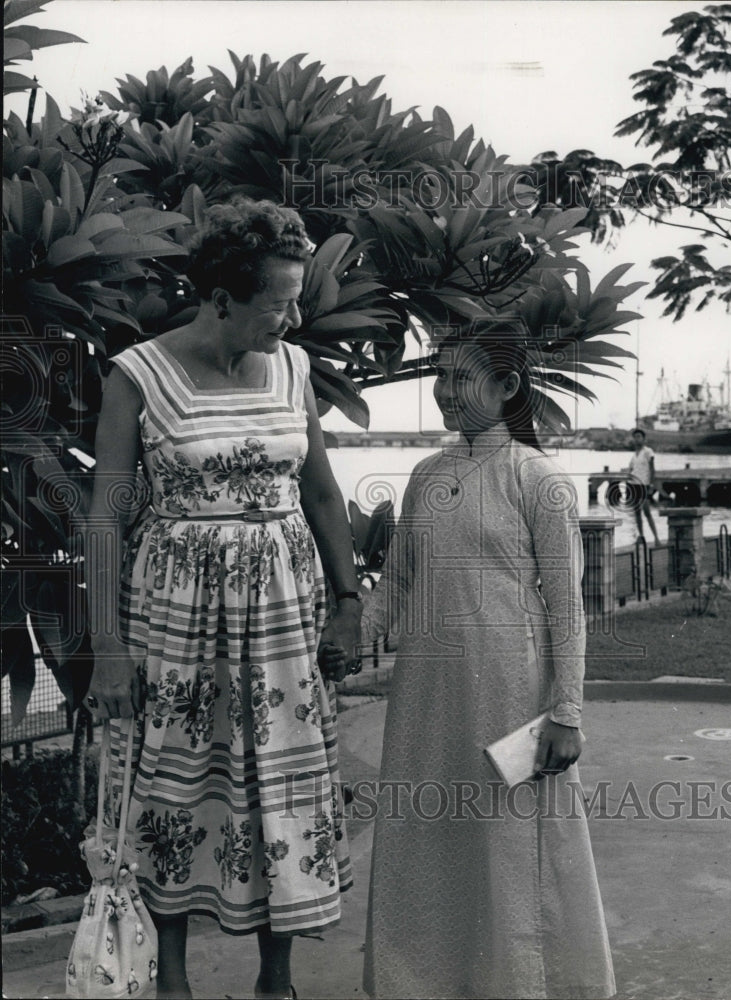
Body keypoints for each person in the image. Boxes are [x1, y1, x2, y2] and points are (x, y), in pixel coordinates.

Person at [83, 197, 363, 1000]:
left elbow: (320, 493)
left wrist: (347, 601)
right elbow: (105, 513)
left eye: (294, 295)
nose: (292, 313)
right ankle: (170, 980)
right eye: (277, 300)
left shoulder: (292, 367)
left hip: (281, 612)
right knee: (173, 783)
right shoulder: (137, 374)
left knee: (280, 783)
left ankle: (276, 981)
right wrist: (107, 648)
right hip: (174, 611)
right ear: (222, 297)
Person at [326, 323, 615, 999]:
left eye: (461, 377)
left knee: (509, 846)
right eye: (441, 376)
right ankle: (421, 983)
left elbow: (567, 608)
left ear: (507, 385)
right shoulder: (427, 475)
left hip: (512, 694)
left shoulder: (536, 480)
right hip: (427, 693)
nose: (444, 392)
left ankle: (516, 984)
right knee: (427, 837)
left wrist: (566, 714)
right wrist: (348, 641)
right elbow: (397, 583)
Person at [627, 428, 660, 545]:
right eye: (635, 437)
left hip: (644, 485)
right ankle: (641, 536)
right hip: (634, 485)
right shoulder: (633, 455)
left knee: (647, 512)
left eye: (639, 437)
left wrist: (651, 484)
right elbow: (631, 469)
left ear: (644, 439)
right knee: (637, 512)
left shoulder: (648, 452)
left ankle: (656, 538)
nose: (637, 439)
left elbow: (652, 469)